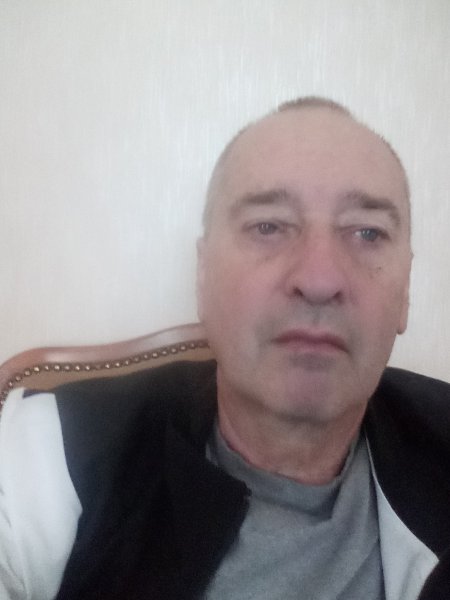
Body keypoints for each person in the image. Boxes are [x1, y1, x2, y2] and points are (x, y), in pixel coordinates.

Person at [1, 97, 449, 600]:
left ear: (405, 292)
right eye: (268, 226)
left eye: (368, 232)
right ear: (203, 276)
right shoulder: (48, 456)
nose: (320, 279)